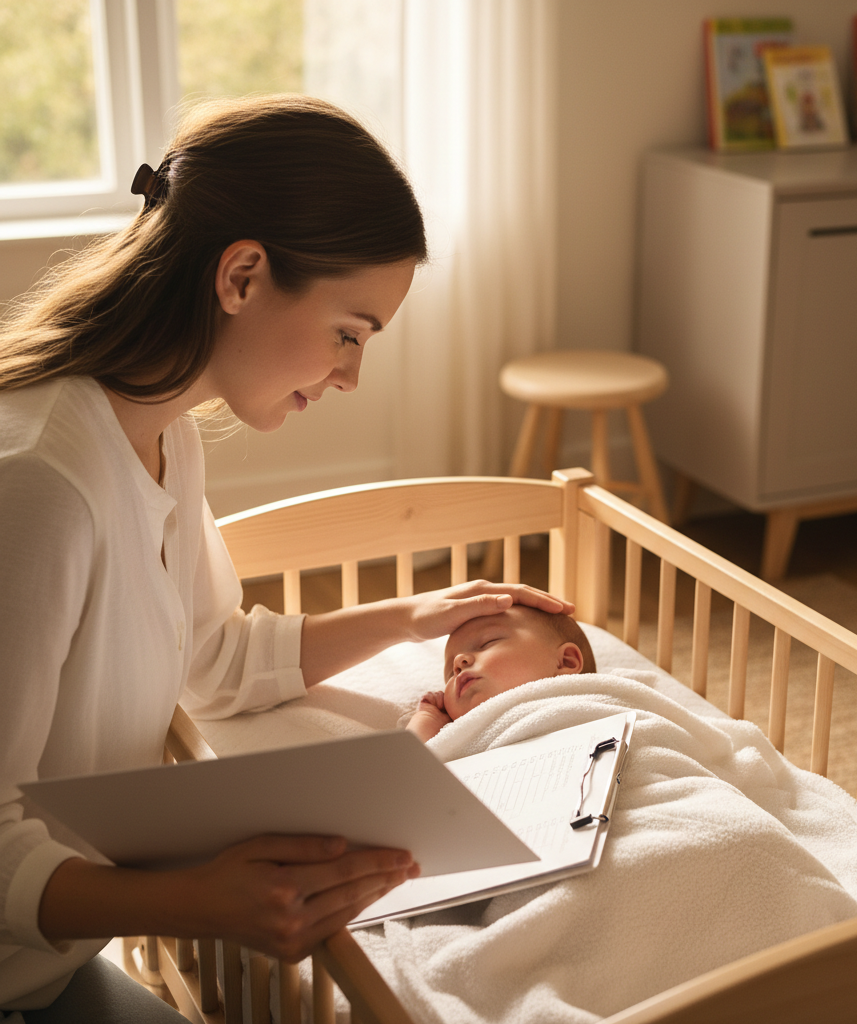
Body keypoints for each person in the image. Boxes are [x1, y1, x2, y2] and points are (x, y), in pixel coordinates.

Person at [0, 95, 573, 1019]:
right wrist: (198, 903)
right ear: (242, 276)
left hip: (47, 967)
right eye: (349, 332)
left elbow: (214, 660)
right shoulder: (39, 484)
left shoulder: (158, 433)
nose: (350, 375)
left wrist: (413, 614)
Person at [406, 607, 596, 741]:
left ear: (565, 662)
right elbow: (404, 776)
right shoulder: (459, 739)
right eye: (450, 674)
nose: (458, 663)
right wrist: (427, 721)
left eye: (487, 642)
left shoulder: (596, 705)